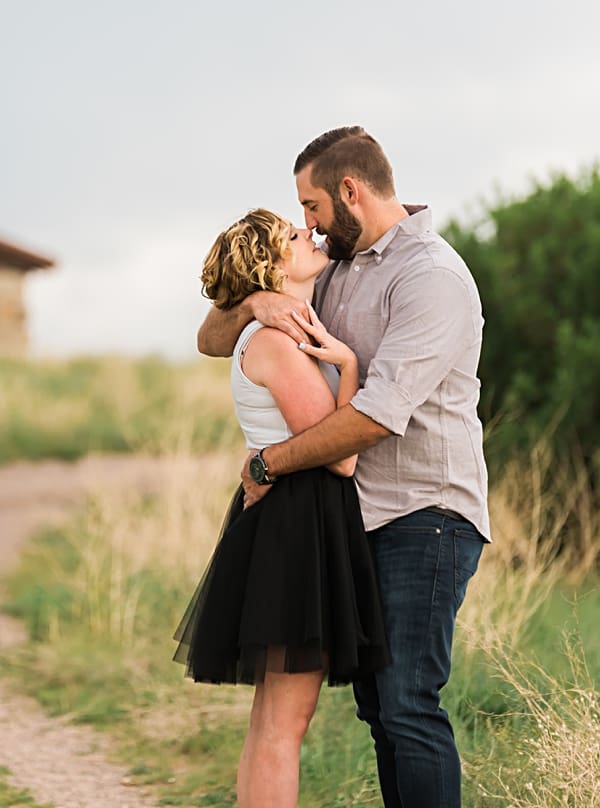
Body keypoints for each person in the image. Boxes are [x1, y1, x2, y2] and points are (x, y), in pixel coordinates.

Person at [196, 127, 491, 808]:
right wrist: (252, 303)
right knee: (380, 713)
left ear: (349, 192)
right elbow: (212, 338)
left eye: (312, 208)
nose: (307, 224)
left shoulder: (432, 277)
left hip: (426, 515)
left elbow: (371, 418)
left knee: (408, 703)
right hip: (353, 519)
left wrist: (268, 462)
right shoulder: (331, 267)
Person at [173, 208, 390, 808]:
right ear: (271, 269)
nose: (311, 234)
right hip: (299, 521)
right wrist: (347, 365)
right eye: (295, 237)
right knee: (283, 724)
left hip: (290, 518)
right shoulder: (274, 343)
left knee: (271, 717)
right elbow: (340, 458)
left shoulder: (275, 334)